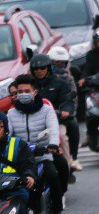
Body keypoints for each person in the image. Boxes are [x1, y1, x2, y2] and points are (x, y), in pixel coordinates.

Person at [8, 74, 66, 214]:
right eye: (19, 92)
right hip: (21, 159)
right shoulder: (11, 113)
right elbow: (7, 135)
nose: (23, 95)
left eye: (27, 91)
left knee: (56, 173)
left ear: (35, 92)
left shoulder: (46, 110)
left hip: (43, 155)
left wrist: (52, 145)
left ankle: (57, 207)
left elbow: (53, 128)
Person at [28, 54, 80, 180]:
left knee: (62, 135)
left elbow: (68, 101)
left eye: (42, 68)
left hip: (56, 120)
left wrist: (66, 111)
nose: (39, 71)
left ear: (49, 68)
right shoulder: (28, 85)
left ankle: (69, 164)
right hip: (32, 122)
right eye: (36, 69)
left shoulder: (60, 83)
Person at [46, 47, 82, 172]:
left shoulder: (68, 79)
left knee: (72, 127)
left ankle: (73, 159)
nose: (59, 67)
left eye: (62, 63)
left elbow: (74, 99)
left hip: (61, 115)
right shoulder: (44, 80)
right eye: (55, 63)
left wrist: (68, 112)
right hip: (45, 115)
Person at [0, 110, 36, 213]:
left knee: (22, 198)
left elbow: (29, 164)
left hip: (14, 189)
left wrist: (29, 176)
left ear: (6, 128)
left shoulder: (18, 144)